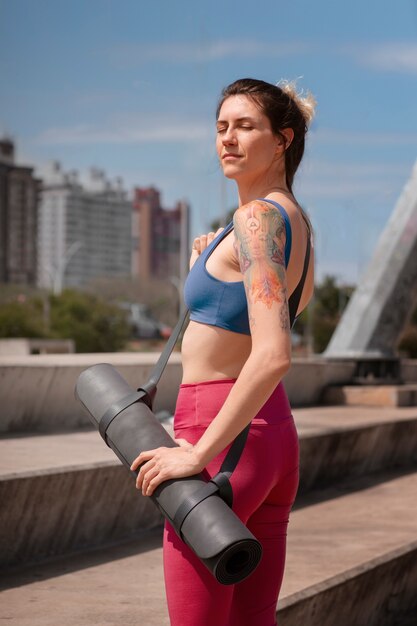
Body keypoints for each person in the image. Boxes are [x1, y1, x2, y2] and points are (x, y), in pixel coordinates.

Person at [130, 77, 316, 626]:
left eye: (245, 127)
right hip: (271, 437)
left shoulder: (255, 222)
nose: (228, 140)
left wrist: (195, 454)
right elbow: (249, 298)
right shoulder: (288, 219)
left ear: (282, 140)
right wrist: (215, 257)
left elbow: (273, 352)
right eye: (221, 127)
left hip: (225, 434)